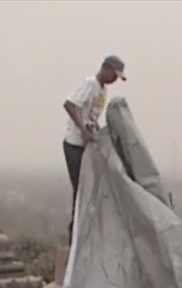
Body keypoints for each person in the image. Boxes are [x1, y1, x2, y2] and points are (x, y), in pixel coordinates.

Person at [62, 54, 127, 242]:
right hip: (74, 144)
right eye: (114, 75)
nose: (114, 80)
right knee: (81, 189)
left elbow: (92, 117)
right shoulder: (90, 84)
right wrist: (82, 129)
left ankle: (85, 231)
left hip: (87, 145)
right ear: (105, 69)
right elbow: (70, 104)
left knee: (90, 189)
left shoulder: (102, 92)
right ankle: (74, 234)